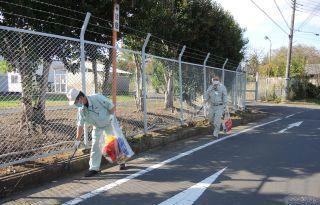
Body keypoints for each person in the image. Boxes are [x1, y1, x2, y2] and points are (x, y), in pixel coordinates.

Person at [67, 88, 126, 177]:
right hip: (97, 127)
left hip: (109, 123)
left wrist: (110, 119)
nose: (76, 104)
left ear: (81, 97)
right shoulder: (81, 110)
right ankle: (94, 169)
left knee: (113, 144)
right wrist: (77, 140)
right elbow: (80, 125)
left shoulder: (97, 98)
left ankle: (122, 161)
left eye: (75, 102)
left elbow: (111, 106)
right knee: (95, 147)